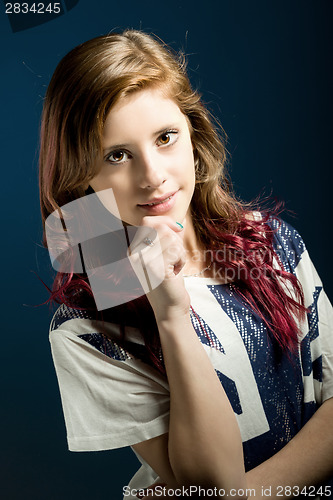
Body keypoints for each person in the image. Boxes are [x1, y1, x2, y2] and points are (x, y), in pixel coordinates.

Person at [39, 30, 333, 499]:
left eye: (165, 137)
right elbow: (210, 486)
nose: (152, 176)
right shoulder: (86, 330)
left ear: (193, 135)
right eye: (117, 156)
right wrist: (172, 316)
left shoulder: (271, 243)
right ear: (83, 177)